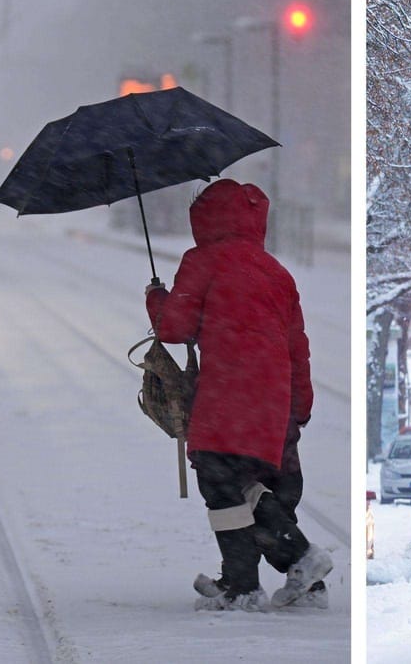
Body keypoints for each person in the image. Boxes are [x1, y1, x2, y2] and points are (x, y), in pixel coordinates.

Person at [146, 178, 331, 611]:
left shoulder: (203, 260)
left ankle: (259, 580)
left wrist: (156, 298)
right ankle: (297, 584)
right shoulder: (277, 272)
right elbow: (296, 347)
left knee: (222, 484)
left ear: (205, 218)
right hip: (275, 406)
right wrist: (298, 407)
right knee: (259, 490)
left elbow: (173, 327)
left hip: (227, 397)